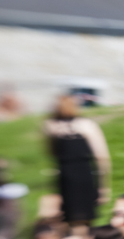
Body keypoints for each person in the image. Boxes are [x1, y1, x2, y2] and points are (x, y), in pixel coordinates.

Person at [43, 95, 111, 229]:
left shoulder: (51, 126)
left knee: (69, 217)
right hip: (84, 174)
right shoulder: (87, 124)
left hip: (65, 175)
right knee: (86, 218)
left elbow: (52, 153)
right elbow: (101, 157)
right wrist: (103, 186)